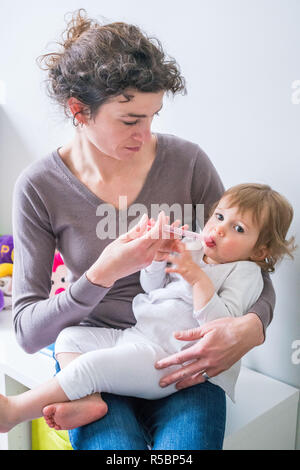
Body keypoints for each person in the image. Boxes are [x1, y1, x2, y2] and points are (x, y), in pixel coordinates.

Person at [11, 9, 277, 450]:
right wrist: (101, 274)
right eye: (130, 120)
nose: (146, 133)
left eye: (153, 116)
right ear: (79, 110)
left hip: (187, 356)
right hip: (100, 355)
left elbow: (247, 262)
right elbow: (27, 332)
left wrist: (253, 327)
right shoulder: (39, 188)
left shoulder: (187, 162)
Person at [1, 183, 295, 438]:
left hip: (166, 358)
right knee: (69, 338)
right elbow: (152, 288)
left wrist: (196, 277)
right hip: (135, 335)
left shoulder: (244, 272)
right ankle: (89, 399)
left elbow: (220, 325)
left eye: (238, 228)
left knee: (93, 367)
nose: (218, 228)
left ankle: (14, 411)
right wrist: (156, 258)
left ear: (259, 252)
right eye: (219, 216)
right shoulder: (194, 248)